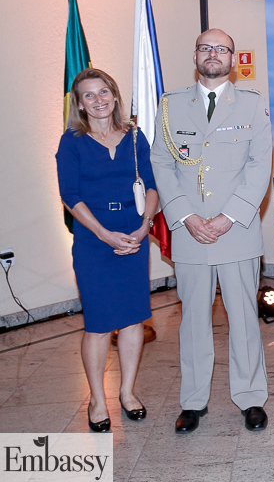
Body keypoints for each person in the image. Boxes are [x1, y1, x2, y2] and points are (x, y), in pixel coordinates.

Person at [150, 28, 272, 433]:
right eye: (206, 48)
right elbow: (161, 163)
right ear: (195, 56)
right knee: (193, 321)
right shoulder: (170, 105)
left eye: (222, 49)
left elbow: (259, 167)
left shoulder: (252, 105)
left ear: (233, 59)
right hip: (190, 232)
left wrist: (227, 217)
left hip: (235, 230)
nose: (213, 54)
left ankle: (251, 398)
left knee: (244, 319)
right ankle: (193, 401)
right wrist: (185, 216)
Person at [56, 68, 159, 432]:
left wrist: (144, 226)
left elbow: (152, 184)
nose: (98, 99)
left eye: (103, 92)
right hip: (93, 240)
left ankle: (127, 392)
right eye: (89, 95)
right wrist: (103, 234)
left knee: (133, 318)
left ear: (114, 95)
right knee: (99, 324)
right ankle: (98, 400)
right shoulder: (72, 141)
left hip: (134, 234)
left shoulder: (135, 137)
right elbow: (70, 195)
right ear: (79, 104)